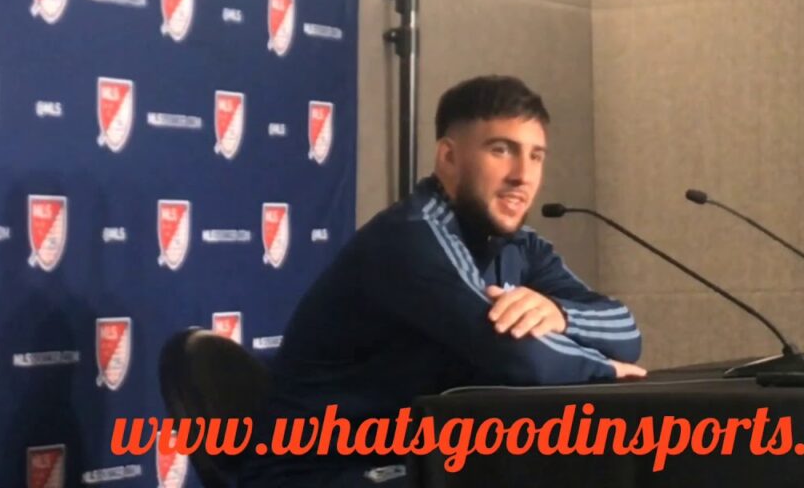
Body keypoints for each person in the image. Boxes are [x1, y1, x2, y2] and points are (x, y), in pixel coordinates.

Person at [240, 75, 645, 487]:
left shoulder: (521, 247)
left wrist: (560, 315)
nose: (523, 175)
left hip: (418, 460)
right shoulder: (412, 236)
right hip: (322, 473)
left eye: (536, 156)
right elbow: (518, 357)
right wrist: (605, 370)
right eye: (501, 150)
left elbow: (625, 331)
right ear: (449, 157)